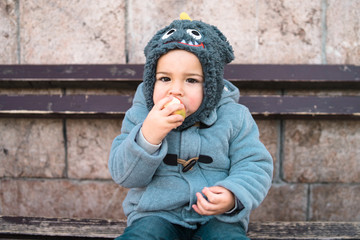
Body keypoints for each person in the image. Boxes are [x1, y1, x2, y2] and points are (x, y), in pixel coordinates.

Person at [109, 12, 273, 240]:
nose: (176, 90)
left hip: (217, 218)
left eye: (191, 80)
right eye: (165, 79)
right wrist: (148, 137)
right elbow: (124, 176)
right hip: (156, 214)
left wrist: (232, 195)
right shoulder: (142, 115)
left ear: (212, 85)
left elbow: (254, 164)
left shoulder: (235, 117)